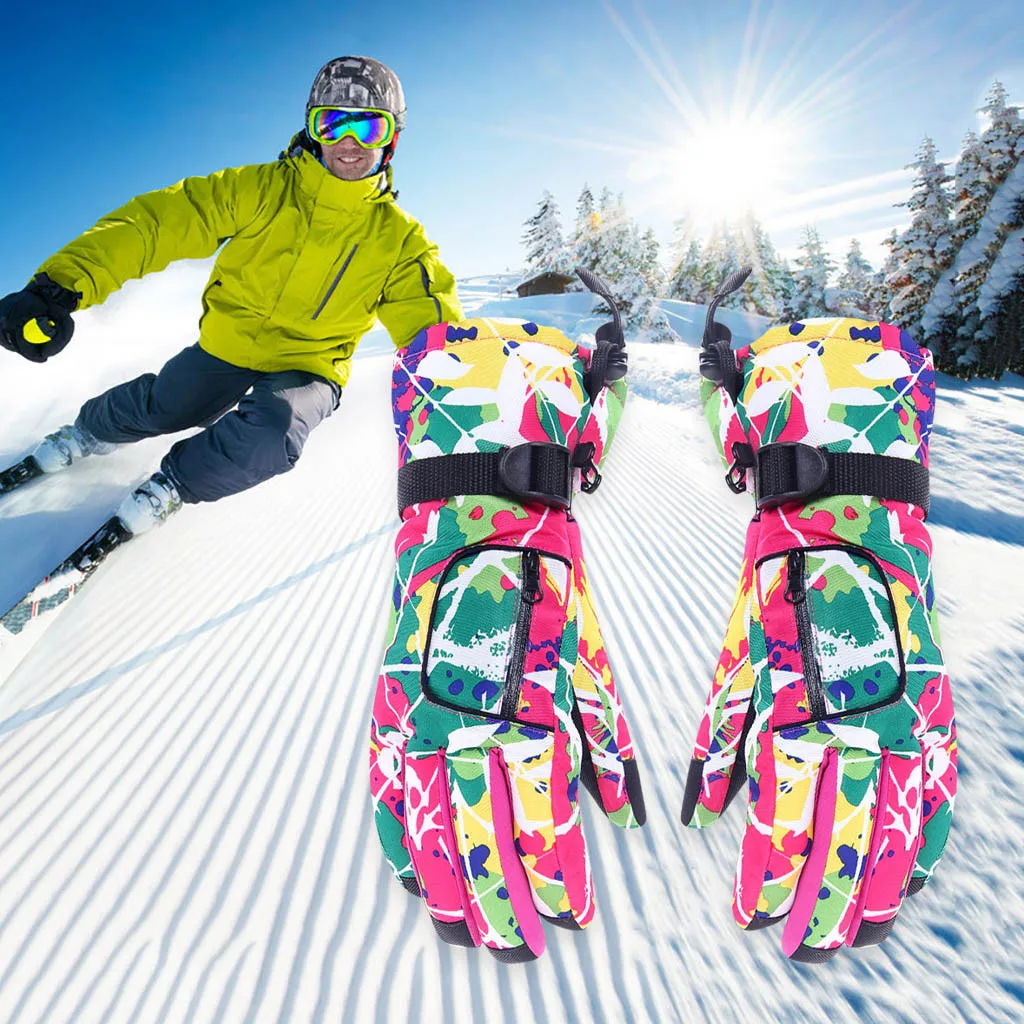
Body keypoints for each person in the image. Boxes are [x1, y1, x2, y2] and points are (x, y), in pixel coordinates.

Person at [0, 56, 462, 534]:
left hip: (312, 365)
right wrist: (58, 286)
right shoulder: (260, 190)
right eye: (331, 123)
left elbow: (437, 340)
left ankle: (173, 486)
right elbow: (157, 225)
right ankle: (86, 434)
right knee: (167, 404)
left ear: (392, 139)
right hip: (228, 343)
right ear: (312, 129)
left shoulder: (402, 243)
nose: (348, 143)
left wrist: (471, 408)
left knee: (272, 430)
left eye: (367, 127)